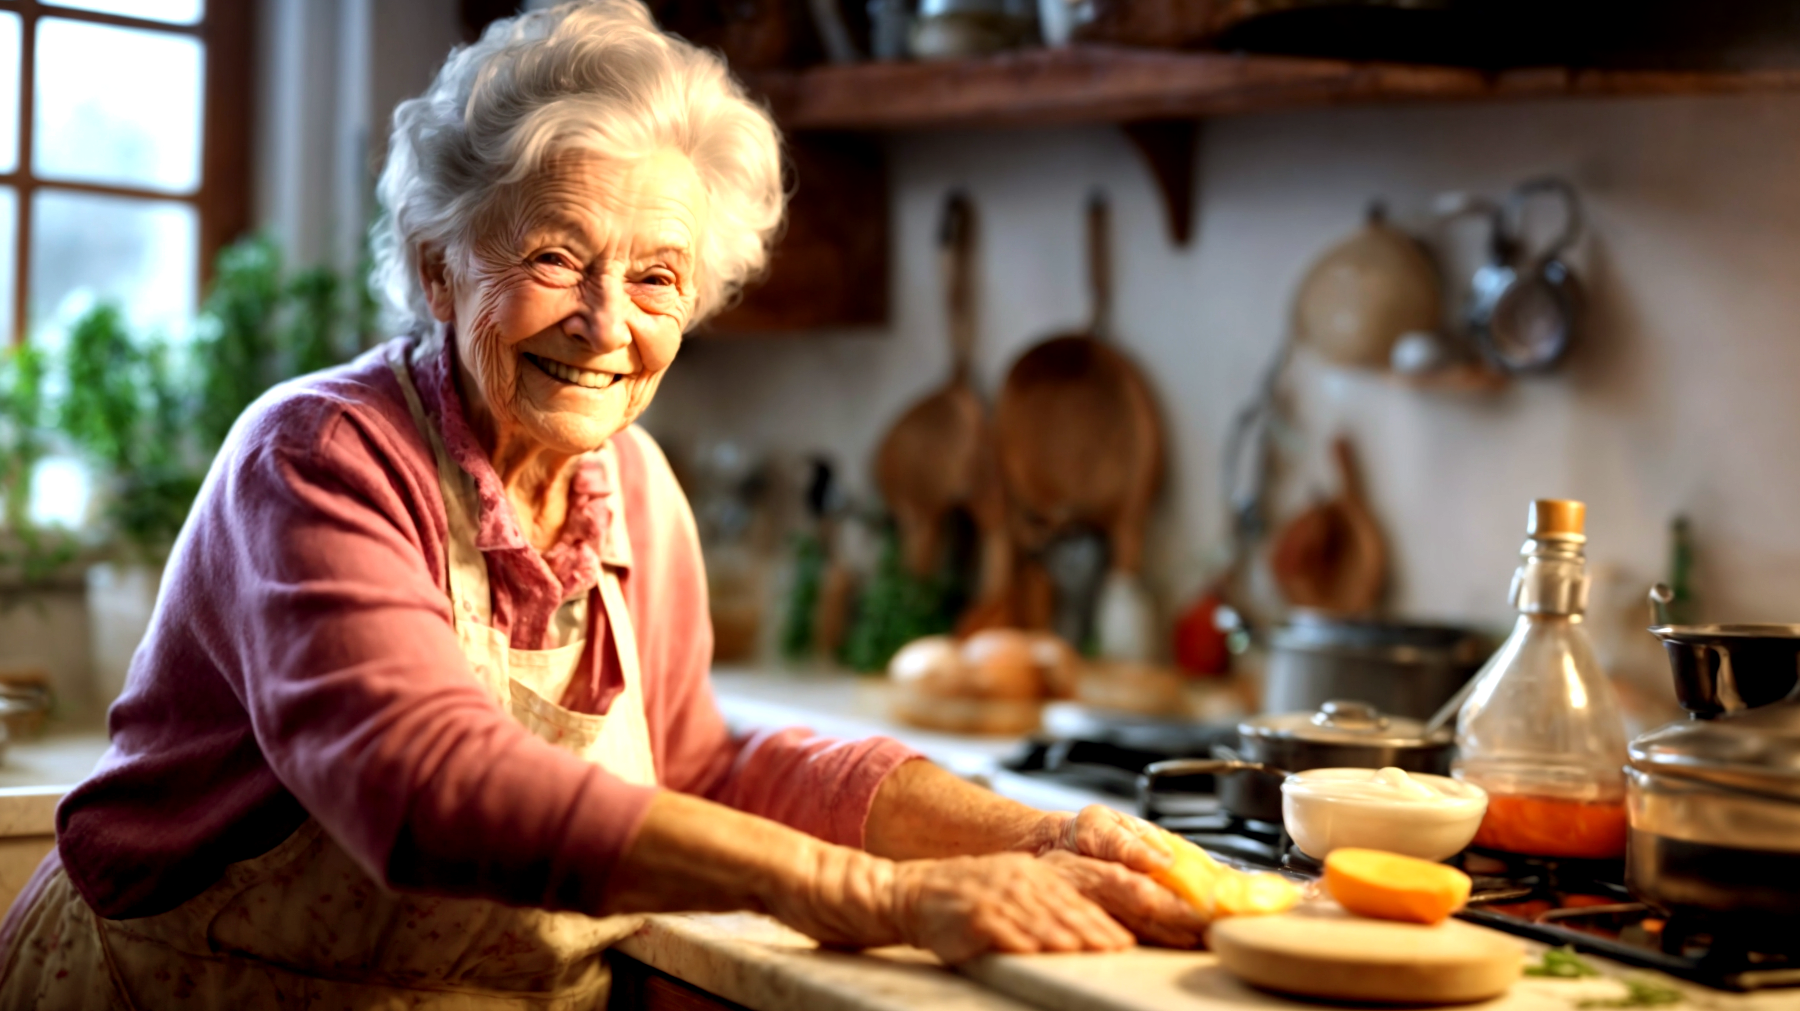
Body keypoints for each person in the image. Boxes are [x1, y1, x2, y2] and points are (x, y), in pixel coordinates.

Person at [0, 2, 1204, 1006]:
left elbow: (699, 770)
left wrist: (1028, 836)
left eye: (657, 279)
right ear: (435, 264)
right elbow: (415, 783)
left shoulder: (633, 489)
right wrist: (871, 894)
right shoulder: (319, 455)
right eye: (554, 257)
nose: (605, 322)